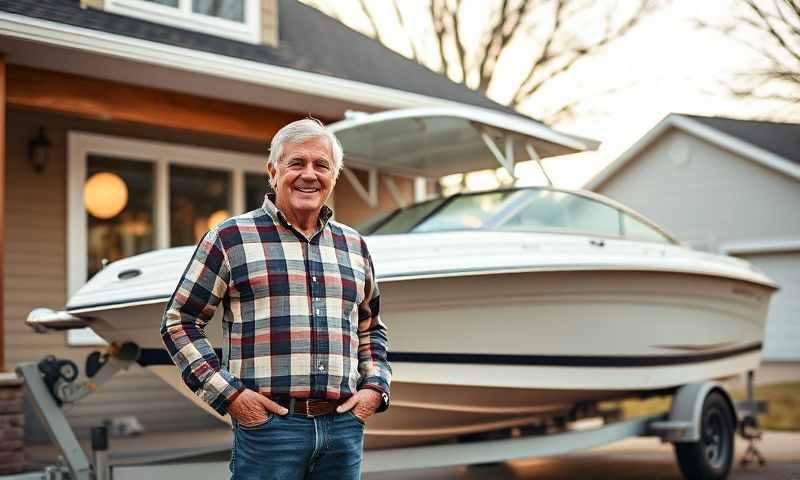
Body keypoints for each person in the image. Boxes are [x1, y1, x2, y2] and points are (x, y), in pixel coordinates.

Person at [160, 118, 391, 480]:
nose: (309, 175)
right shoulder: (230, 237)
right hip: (269, 430)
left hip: (342, 429)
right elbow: (179, 322)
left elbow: (370, 327)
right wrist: (232, 397)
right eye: (296, 163)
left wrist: (375, 388)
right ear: (273, 171)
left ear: (333, 177)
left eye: (321, 165)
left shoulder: (355, 246)